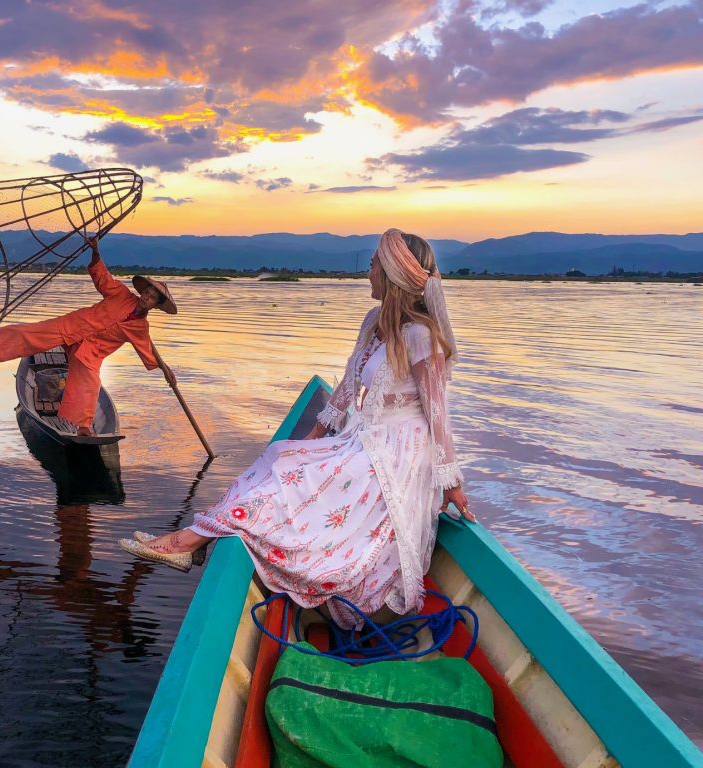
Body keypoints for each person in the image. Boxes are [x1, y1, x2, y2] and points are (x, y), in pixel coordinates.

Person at [120, 228, 474, 627]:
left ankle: (188, 541)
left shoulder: (421, 335)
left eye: (374, 264)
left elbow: (437, 413)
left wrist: (450, 482)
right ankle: (196, 536)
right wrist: (310, 439)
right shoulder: (374, 321)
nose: (368, 270)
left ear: (391, 274)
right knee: (280, 456)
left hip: (397, 455)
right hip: (364, 439)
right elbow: (346, 387)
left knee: (294, 478)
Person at [0, 236, 177, 436]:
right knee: (32, 332)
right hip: (74, 326)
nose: (146, 299)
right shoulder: (121, 294)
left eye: (151, 299)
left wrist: (166, 370)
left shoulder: (141, 328)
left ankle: (83, 427)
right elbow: (101, 277)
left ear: (155, 306)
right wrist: (95, 253)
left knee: (90, 382)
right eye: (146, 294)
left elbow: (147, 352)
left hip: (91, 352)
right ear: (142, 292)